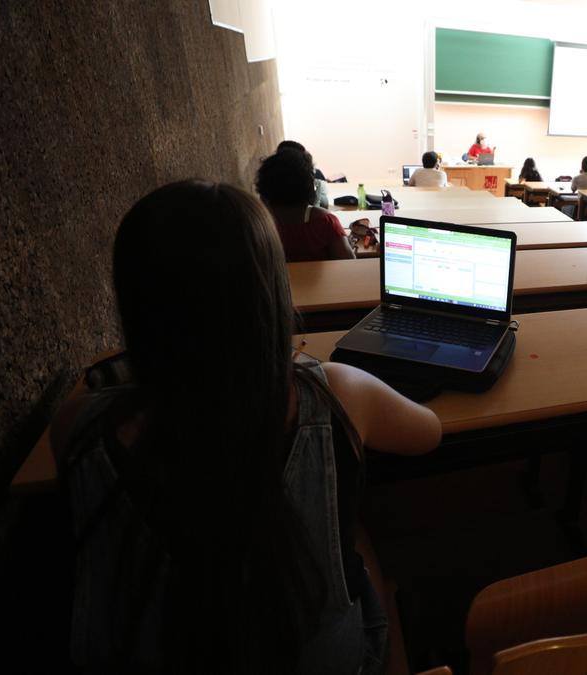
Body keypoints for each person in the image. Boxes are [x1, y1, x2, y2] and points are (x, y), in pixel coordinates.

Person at [50, 180, 442, 674]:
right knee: (355, 530)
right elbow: (428, 432)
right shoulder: (334, 395)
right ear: (271, 291)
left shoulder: (77, 426)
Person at [255, 150, 355, 262]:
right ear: (308, 185)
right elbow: (348, 263)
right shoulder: (325, 222)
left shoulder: (259, 226)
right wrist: (349, 246)